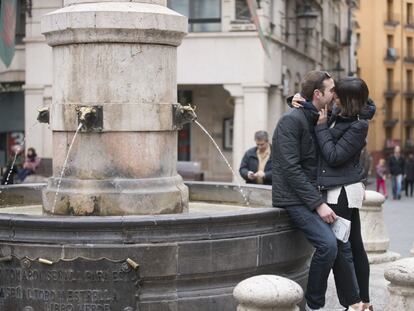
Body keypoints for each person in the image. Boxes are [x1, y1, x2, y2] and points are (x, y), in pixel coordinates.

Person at [272, 71, 362, 311]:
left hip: (315, 194)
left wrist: (295, 97)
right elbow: (290, 169)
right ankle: (314, 306)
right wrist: (317, 204)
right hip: (293, 198)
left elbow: (361, 101)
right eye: (332, 90)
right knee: (328, 245)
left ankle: (354, 303)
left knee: (344, 244)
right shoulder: (291, 121)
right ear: (318, 94)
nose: (336, 94)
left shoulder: (320, 114)